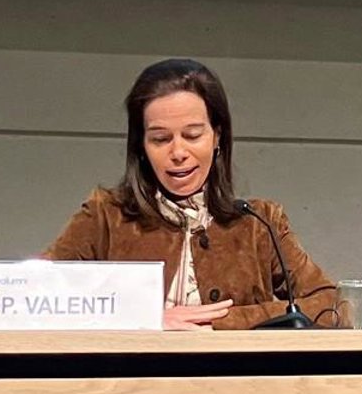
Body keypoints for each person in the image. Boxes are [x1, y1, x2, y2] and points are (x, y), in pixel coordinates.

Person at [44, 58, 342, 330]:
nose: (178, 153)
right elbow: (31, 298)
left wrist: (224, 320)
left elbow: (333, 306)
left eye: (192, 135)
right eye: (160, 139)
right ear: (141, 147)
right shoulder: (105, 216)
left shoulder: (260, 223)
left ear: (217, 137)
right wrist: (145, 319)